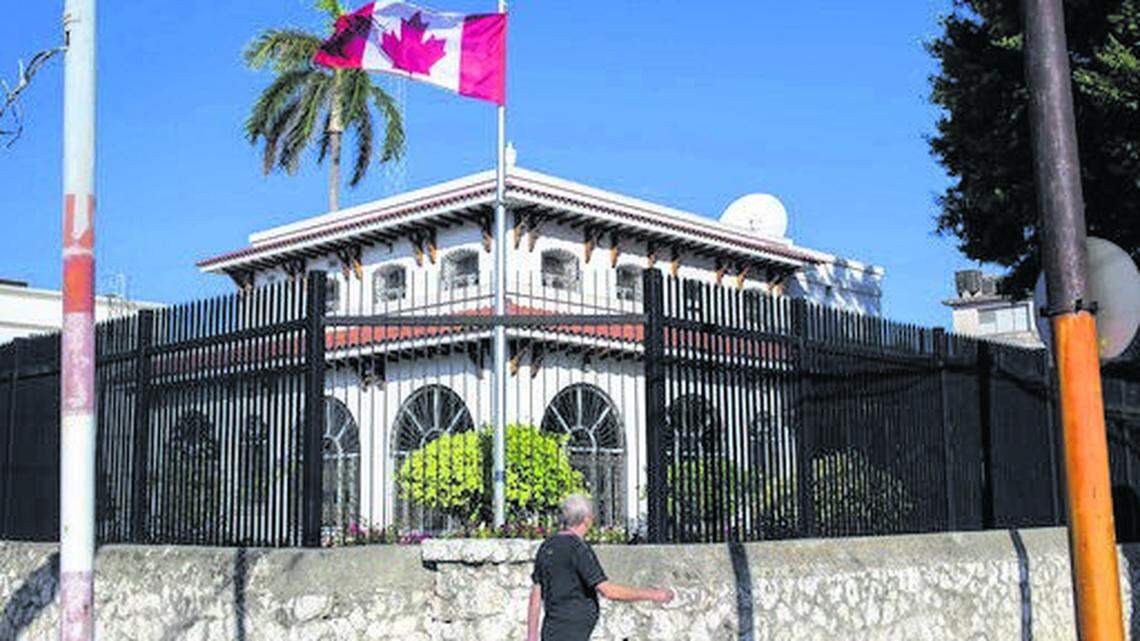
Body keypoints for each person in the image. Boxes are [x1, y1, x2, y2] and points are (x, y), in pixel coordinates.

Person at [526, 494, 673, 641]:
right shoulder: (578, 549)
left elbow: (536, 595)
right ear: (587, 519)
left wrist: (531, 637)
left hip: (552, 630)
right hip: (573, 633)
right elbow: (608, 590)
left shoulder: (547, 546)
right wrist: (654, 594)